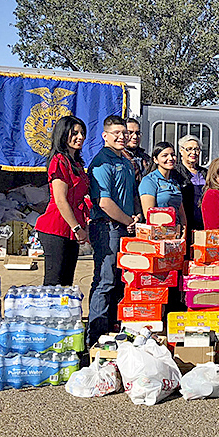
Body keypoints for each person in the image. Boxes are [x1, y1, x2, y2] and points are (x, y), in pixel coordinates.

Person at [87, 115, 140, 346]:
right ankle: (96, 338)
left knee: (120, 282)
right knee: (105, 282)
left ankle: (112, 333)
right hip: (107, 229)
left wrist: (136, 216)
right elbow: (104, 203)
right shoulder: (102, 162)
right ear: (105, 136)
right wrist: (128, 219)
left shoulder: (126, 160)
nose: (122, 136)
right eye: (116, 133)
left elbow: (131, 194)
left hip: (125, 227)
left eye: (124, 132)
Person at [34, 115, 90, 287]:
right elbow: (60, 199)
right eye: (74, 133)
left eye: (82, 133)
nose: (79, 137)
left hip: (71, 229)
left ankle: (64, 313)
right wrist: (77, 228)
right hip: (56, 228)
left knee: (66, 282)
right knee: (53, 282)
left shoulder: (77, 163)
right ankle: (48, 314)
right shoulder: (59, 161)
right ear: (63, 134)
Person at [138, 141, 189, 237]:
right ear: (155, 160)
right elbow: (149, 215)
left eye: (173, 155)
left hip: (176, 234)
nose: (170, 158)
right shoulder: (149, 181)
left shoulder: (174, 182)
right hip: (159, 234)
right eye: (165, 155)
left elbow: (181, 211)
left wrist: (184, 231)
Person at [175, 134, 207, 233]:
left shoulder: (205, 172)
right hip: (185, 221)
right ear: (181, 150)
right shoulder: (176, 172)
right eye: (189, 149)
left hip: (203, 222)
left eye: (196, 149)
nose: (193, 152)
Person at [124, 118, 151, 182]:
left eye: (137, 133)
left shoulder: (146, 158)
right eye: (130, 133)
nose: (135, 137)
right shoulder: (118, 158)